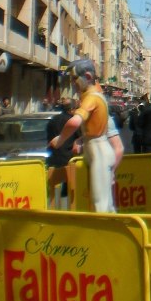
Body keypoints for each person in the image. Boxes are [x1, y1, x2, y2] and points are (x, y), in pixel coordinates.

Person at [48, 58, 116, 213]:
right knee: (101, 200)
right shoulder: (93, 96)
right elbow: (94, 126)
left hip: (99, 151)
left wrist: (60, 140)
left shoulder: (92, 97)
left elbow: (74, 122)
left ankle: (104, 233)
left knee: (101, 202)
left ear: (88, 77)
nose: (73, 83)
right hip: (96, 148)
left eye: (74, 79)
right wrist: (81, 139)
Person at [45, 96, 79, 208]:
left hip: (54, 157)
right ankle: (65, 208)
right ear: (72, 109)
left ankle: (52, 207)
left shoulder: (53, 120)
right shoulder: (73, 122)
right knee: (67, 186)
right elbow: (78, 139)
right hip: (68, 158)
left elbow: (49, 139)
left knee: (52, 185)